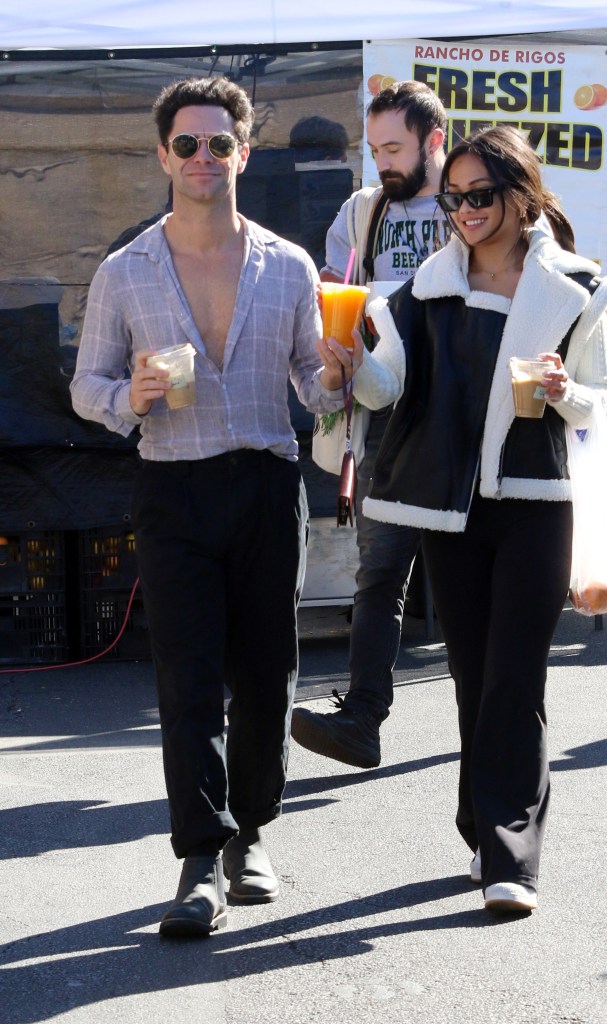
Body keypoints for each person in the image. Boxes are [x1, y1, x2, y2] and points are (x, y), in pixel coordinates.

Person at [70, 76, 350, 938]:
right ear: (163, 156)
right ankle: (199, 857)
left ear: (244, 151)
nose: (203, 159)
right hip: (174, 486)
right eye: (186, 145)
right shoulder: (127, 270)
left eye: (218, 144)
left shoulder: (288, 263)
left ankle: (253, 833)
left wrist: (336, 374)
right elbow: (87, 385)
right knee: (186, 678)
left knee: (266, 673)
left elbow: (311, 380)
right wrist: (133, 395)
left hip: (266, 482)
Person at [339, 124, 607, 913]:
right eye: (454, 197)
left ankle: (510, 859)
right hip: (447, 509)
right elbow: (385, 388)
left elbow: (601, 403)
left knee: (514, 677)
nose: (463, 209)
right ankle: (481, 827)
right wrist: (352, 365)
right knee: (470, 675)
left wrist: (565, 390)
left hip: (537, 502)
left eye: (480, 196)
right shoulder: (422, 291)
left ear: (519, 194)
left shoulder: (580, 289)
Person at [290, 80, 451, 770]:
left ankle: (495, 721)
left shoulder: (467, 200)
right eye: (374, 146)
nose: (382, 160)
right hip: (385, 416)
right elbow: (332, 289)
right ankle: (361, 718)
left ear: (434, 141)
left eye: (395, 147)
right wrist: (334, 334)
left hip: (462, 419)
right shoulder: (362, 210)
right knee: (378, 574)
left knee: (473, 580)